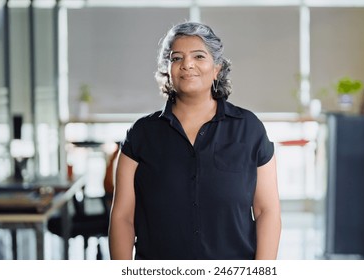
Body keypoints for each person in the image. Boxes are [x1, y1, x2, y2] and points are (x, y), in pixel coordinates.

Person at [108, 21, 281, 260]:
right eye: (176, 58)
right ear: (167, 70)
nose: (187, 64)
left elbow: (267, 211)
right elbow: (123, 217)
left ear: (217, 68)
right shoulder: (141, 134)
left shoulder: (250, 129)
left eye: (199, 56)